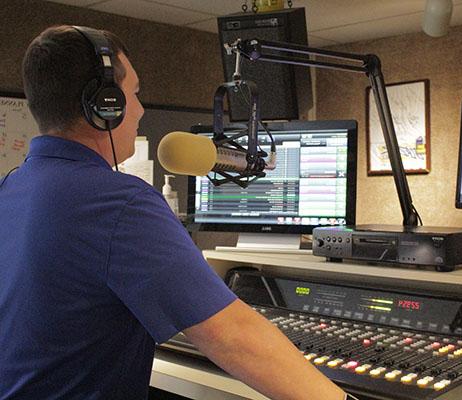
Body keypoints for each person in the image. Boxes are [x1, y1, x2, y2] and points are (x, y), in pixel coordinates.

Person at [0, 25, 350, 400]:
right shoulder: (119, 201)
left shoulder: (11, 187)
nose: (140, 109)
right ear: (105, 106)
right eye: (133, 94)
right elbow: (233, 336)